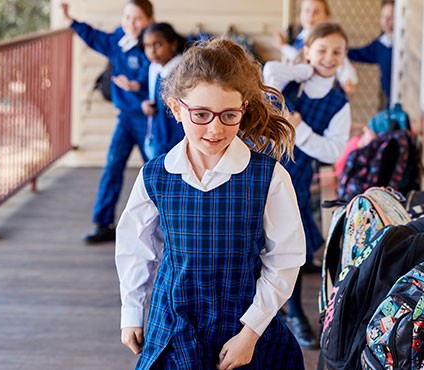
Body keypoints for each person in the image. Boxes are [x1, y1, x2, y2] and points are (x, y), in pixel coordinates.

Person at [115, 38, 307, 369]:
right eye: (201, 114)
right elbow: (136, 246)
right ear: (176, 109)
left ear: (243, 109)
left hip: (244, 325)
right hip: (176, 323)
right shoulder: (155, 176)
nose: (215, 129)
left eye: (228, 115)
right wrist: (132, 311)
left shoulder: (268, 177)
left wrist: (250, 334)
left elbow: (284, 260)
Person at [263, 22, 352, 349]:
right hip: (261, 164)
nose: (329, 57)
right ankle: (256, 307)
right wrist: (302, 68)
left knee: (289, 245)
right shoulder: (291, 79)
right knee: (254, 238)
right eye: (322, 50)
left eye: (337, 52)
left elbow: (332, 150)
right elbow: (270, 71)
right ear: (308, 51)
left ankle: (293, 310)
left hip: (296, 178)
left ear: (344, 56)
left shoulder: (338, 103)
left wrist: (299, 128)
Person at [61, 1, 154, 244]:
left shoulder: (153, 45)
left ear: (149, 21)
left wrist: (139, 87)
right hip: (126, 119)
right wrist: (71, 20)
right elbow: (94, 37)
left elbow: (157, 77)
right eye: (127, 18)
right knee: (113, 166)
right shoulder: (118, 41)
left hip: (149, 121)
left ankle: (166, 223)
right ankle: (103, 223)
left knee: (155, 170)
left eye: (137, 19)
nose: (130, 24)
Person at [273, 0, 358, 95]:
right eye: (307, 11)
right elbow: (300, 58)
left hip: (322, 91)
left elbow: (342, 64)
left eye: (316, 12)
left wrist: (347, 80)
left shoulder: (327, 38)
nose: (311, 15)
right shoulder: (301, 36)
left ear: (327, 16)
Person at [139, 22, 186, 160]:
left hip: (176, 140)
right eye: (147, 46)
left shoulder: (182, 71)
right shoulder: (155, 68)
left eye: (157, 45)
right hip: (159, 137)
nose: (152, 51)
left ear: (172, 45)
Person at [347, 0, 395, 106]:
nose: (385, 21)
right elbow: (360, 54)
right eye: (383, 17)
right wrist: (340, 51)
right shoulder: (381, 43)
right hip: (389, 96)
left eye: (390, 17)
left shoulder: (401, 45)